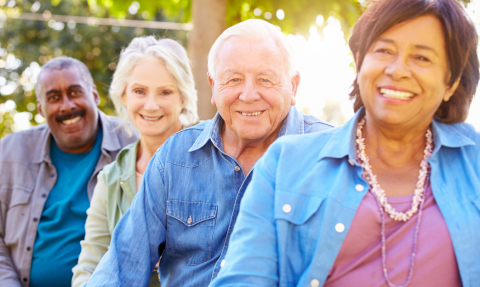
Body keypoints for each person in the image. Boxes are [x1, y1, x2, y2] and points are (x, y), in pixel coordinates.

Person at [210, 0, 480, 286]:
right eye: (384, 50)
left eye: (422, 58)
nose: (398, 69)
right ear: (360, 61)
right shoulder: (285, 164)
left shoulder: (474, 164)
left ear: (451, 81)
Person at [86, 19, 333, 287]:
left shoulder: (330, 155)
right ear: (213, 86)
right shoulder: (175, 157)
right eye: (233, 79)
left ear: (293, 86)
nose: (248, 94)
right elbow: (122, 265)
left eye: (266, 79)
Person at [72, 36, 198, 287]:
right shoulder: (110, 178)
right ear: (124, 95)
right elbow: (89, 265)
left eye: (165, 92)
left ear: (182, 98)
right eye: (139, 91)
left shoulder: (212, 161)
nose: (151, 105)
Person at [0, 57, 137, 287]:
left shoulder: (134, 143)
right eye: (54, 98)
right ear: (42, 108)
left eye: (75, 92)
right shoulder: (10, 153)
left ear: (94, 95)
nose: (67, 105)